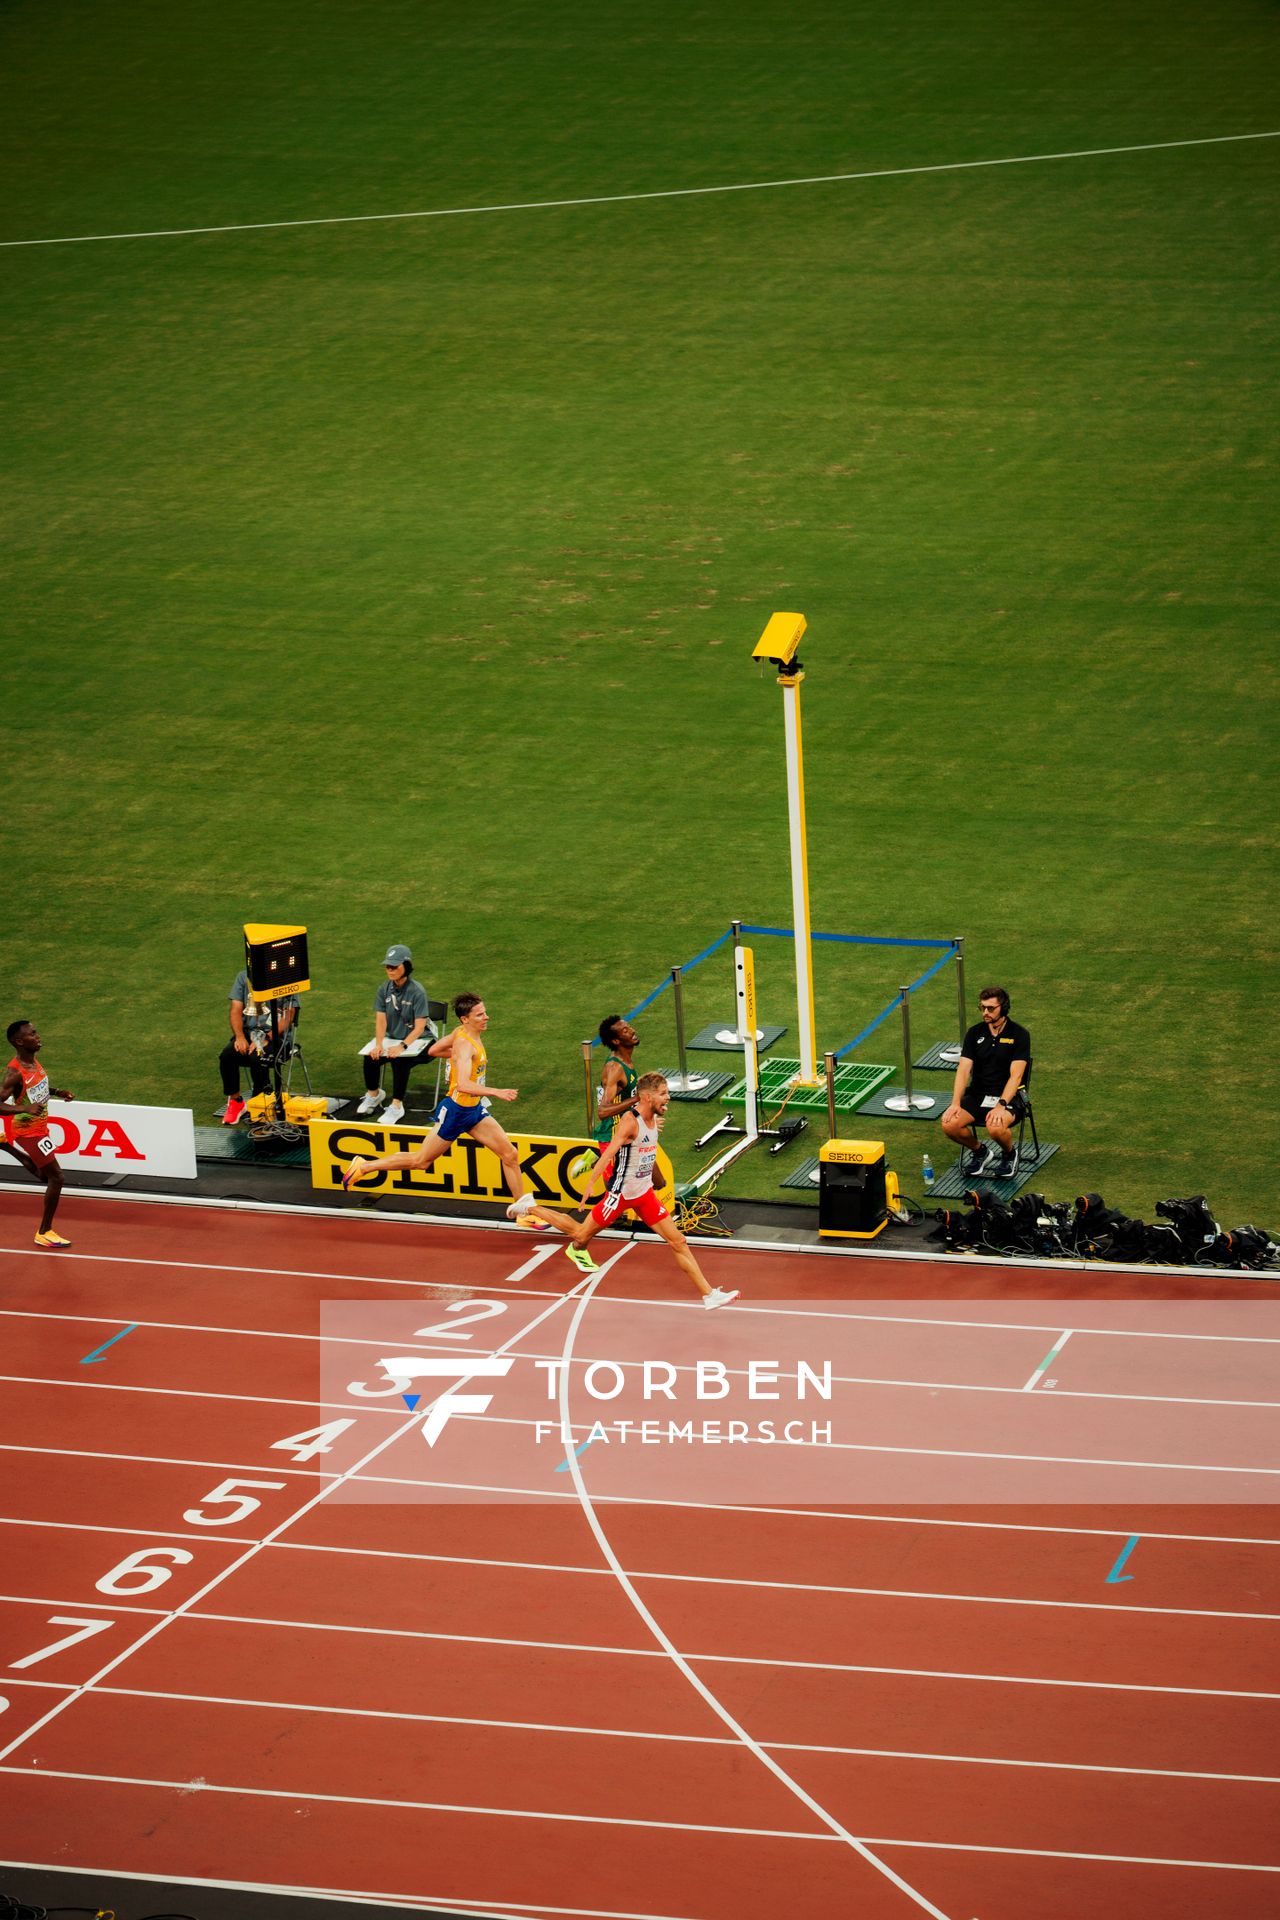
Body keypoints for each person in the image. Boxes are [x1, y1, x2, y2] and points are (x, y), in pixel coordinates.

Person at [535, 1072, 739, 1308]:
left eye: (667, 1093)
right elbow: (610, 1152)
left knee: (678, 1241)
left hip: (643, 1195)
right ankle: (530, 1206)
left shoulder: (652, 1119)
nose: (668, 1098)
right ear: (647, 1096)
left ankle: (708, 1295)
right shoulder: (630, 1122)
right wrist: (591, 1182)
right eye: (663, 1094)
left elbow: (646, 1148)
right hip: (620, 1196)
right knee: (580, 1235)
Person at [341, 994, 534, 1219]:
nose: (486, 1017)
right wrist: (495, 1091)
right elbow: (462, 1084)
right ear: (465, 1019)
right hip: (456, 1112)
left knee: (509, 1154)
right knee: (420, 1161)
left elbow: (433, 1051)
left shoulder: (459, 1033)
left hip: (473, 1110)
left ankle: (523, 1213)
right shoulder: (465, 1044)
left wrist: (454, 1060)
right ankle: (363, 1167)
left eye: (484, 1012)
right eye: (480, 1015)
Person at [940, 986, 1032, 1179]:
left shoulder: (1019, 1035)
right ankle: (981, 1152)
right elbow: (963, 1069)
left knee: (995, 1126)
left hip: (1010, 1097)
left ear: (1003, 1008)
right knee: (949, 1124)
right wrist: (955, 1103)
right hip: (978, 1094)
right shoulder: (974, 1033)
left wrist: (1001, 1105)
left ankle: (1009, 1154)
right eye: (982, 1008)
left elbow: (1015, 1076)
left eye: (991, 1008)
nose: (985, 1013)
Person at [0, 1020, 73, 1248]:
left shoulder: (33, 1062)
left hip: (40, 1127)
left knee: (46, 1177)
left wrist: (57, 1092)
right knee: (57, 1177)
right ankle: (44, 1231)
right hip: (29, 1131)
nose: (38, 1036)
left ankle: (5, 1145)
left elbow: (35, 1088)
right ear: (19, 1042)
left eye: (36, 1032)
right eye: (32, 1034)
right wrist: (24, 1108)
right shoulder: (14, 1072)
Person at [356, 944, 436, 1127]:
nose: (390, 971)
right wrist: (378, 1045)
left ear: (406, 966)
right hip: (393, 1038)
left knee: (400, 1060)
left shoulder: (417, 991)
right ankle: (374, 1095)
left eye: (394, 967)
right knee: (371, 1057)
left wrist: (402, 1046)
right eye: (387, 967)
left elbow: (419, 1027)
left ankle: (397, 1105)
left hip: (421, 1041)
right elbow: (381, 1021)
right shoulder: (383, 989)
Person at [217, 964, 299, 1125]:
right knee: (226, 1056)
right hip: (248, 1034)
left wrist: (265, 1038)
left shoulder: (287, 981)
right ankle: (236, 1102)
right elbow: (235, 1009)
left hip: (277, 1038)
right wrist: (240, 1037)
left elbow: (288, 1016)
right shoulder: (243, 977)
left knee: (258, 1057)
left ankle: (260, 1100)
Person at [569, 1014, 641, 1182]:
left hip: (626, 1133)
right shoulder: (615, 1068)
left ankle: (596, 1158)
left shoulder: (626, 1061)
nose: (632, 1031)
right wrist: (637, 1099)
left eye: (629, 1027)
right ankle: (597, 1158)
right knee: (614, 1195)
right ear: (616, 1041)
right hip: (612, 1137)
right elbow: (602, 1111)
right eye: (625, 1030)